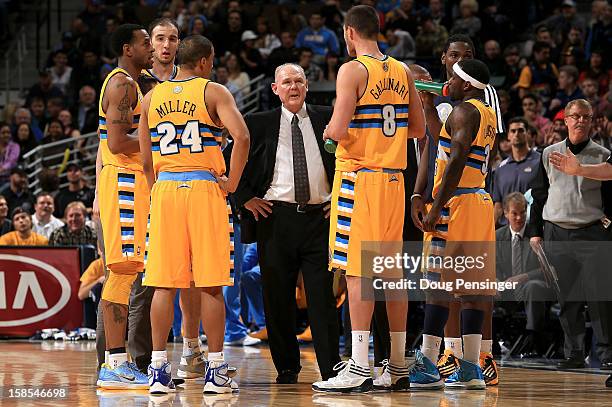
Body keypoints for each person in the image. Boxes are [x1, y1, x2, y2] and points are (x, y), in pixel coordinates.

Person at [312, 5, 425, 393]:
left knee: (358, 273)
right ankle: (396, 364)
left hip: (361, 179)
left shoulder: (352, 70)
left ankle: (359, 364)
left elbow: (338, 128)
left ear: (348, 33)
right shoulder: (402, 70)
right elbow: (419, 127)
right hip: (395, 179)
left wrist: (330, 129)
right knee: (392, 276)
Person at [139, 34, 249, 395]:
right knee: (211, 283)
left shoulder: (152, 97)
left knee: (163, 284)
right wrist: (231, 182)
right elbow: (242, 138)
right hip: (204, 188)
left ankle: (157, 371)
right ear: (203, 61)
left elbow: (144, 158)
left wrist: (160, 187)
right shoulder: (213, 92)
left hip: (166, 188)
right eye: (212, 59)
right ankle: (215, 372)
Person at [234, 62, 340, 384]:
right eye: (286, 82)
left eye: (299, 81)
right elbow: (229, 163)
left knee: (323, 298)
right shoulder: (257, 123)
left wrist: (338, 198)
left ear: (307, 86)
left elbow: (348, 159)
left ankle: (330, 368)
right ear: (275, 89)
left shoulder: (327, 117)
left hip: (319, 218)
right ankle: (287, 367)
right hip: (275, 219)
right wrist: (244, 197)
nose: (293, 87)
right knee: (277, 297)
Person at [413, 34, 504, 387]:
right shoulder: (484, 112)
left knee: (439, 285)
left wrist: (435, 208)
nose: (447, 81)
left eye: (453, 78)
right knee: (472, 288)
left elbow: (454, 161)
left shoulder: (465, 111)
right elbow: (443, 137)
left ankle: (427, 363)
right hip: (479, 201)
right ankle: (469, 369)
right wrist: (428, 105)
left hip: (458, 202)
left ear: (465, 83)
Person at [94, 23, 153, 390]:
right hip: (123, 181)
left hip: (134, 182)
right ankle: (114, 364)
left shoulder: (136, 83)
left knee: (130, 270)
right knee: (122, 270)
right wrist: (161, 136)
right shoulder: (121, 84)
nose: (151, 47)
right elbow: (117, 142)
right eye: (145, 42)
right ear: (127, 49)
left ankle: (118, 362)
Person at [546, 99, 612, 371]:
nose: (581, 121)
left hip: (593, 233)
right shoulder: (548, 152)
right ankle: (573, 353)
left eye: (586, 116)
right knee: (567, 298)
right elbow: (540, 194)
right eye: (575, 116)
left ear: (592, 120)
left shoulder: (604, 154)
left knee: (601, 299)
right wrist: (537, 233)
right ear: (566, 120)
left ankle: (606, 354)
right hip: (558, 232)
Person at [495, 192, 554, 356]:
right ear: (506, 213)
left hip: (533, 289)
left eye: (523, 212)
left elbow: (548, 269)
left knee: (532, 286)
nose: (519, 218)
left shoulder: (536, 235)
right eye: (514, 213)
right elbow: (491, 266)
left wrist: (524, 277)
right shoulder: (497, 237)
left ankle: (533, 341)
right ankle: (489, 342)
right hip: (506, 290)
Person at [492, 118, 541, 226]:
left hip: (533, 229)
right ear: (508, 136)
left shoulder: (540, 162)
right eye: (513, 131)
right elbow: (498, 205)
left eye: (520, 130)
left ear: (527, 133)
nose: (516, 134)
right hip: (506, 230)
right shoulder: (501, 168)